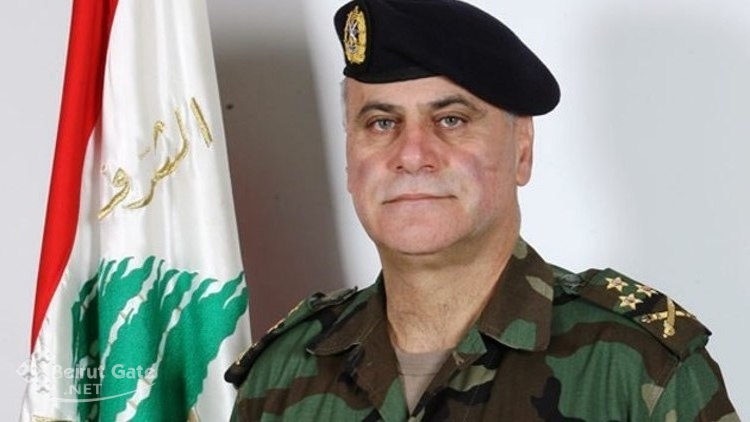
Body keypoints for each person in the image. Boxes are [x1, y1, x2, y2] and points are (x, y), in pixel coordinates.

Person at [225, 0, 738, 420]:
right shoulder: (281, 377)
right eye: (381, 123)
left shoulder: (636, 366)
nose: (411, 155)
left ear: (522, 150)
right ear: (349, 158)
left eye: (450, 120)